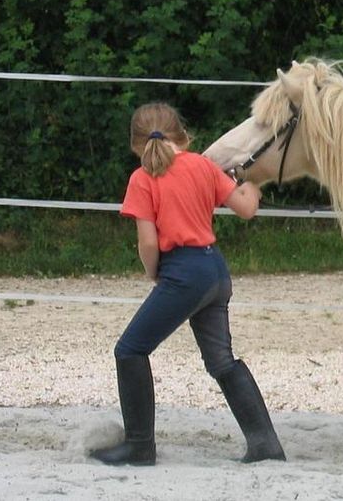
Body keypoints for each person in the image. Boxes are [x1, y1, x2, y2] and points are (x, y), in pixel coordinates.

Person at [90, 103, 286, 466]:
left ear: (136, 144)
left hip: (183, 273)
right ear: (183, 134)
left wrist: (154, 273)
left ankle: (139, 446)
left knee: (130, 350)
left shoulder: (142, 178)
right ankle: (265, 444)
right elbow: (246, 209)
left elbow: (148, 243)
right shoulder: (203, 166)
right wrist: (253, 182)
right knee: (222, 361)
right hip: (215, 271)